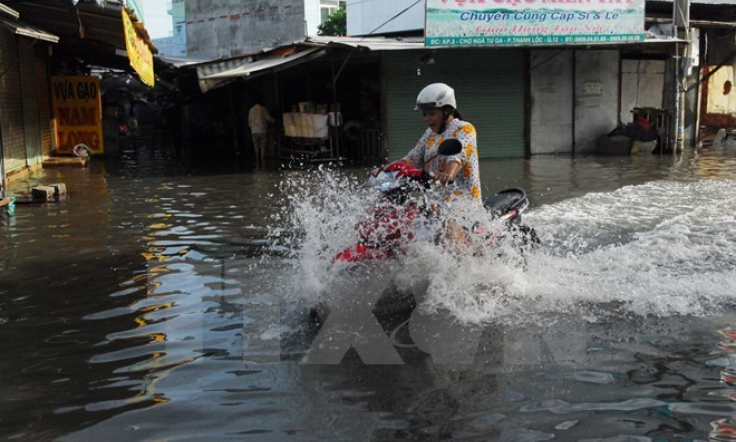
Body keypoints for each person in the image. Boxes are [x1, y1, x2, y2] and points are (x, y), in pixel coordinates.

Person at [402, 83, 482, 203]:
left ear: (447, 111)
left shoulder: (464, 129)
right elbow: (412, 157)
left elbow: (457, 156)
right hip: (434, 203)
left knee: (450, 222)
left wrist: (448, 173)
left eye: (432, 114)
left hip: (463, 201)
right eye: (424, 114)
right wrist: (388, 170)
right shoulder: (430, 133)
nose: (426, 118)